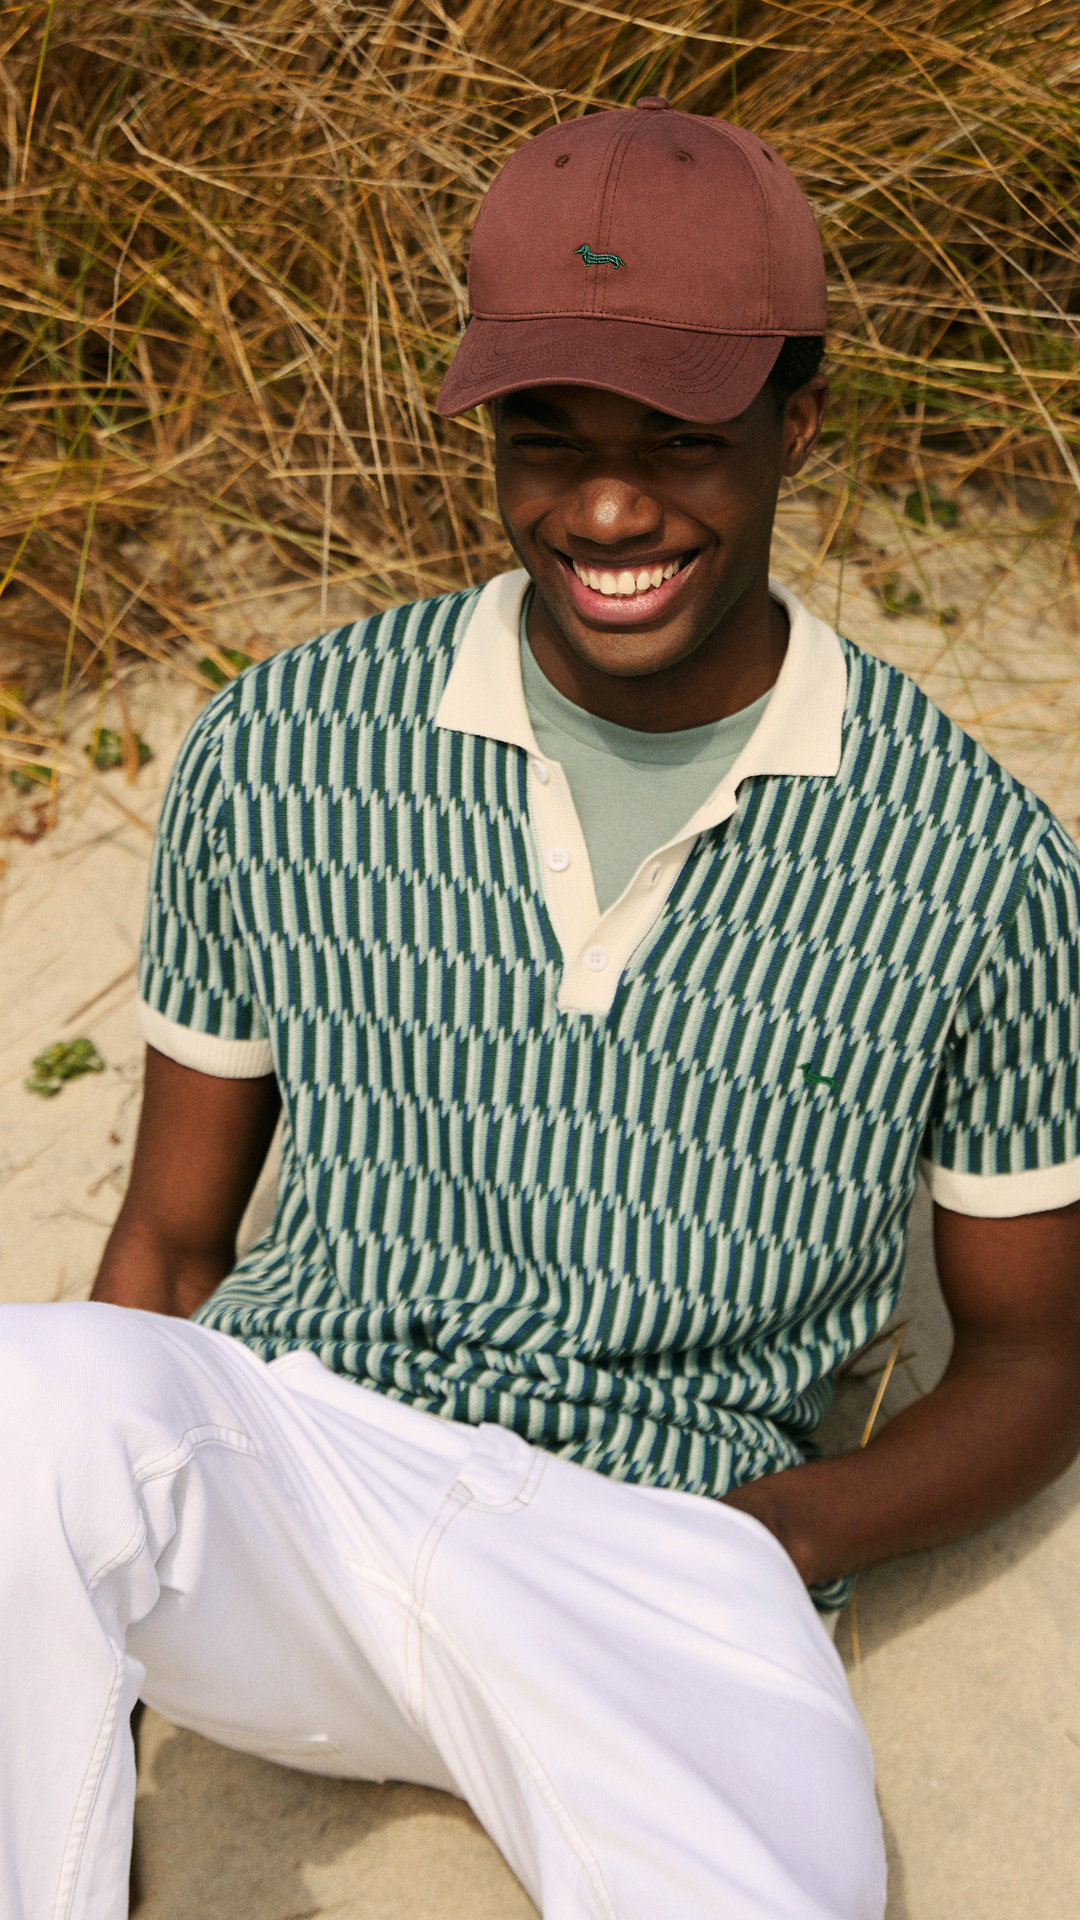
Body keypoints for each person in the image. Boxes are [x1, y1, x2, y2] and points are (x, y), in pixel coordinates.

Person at [4, 98, 1080, 1920]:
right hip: (307, 1477)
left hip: (666, 1561)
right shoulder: (285, 748)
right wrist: (66, 1642)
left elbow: (1035, 1358)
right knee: (25, 1394)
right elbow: (171, 1250)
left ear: (799, 425)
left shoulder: (978, 862)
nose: (605, 508)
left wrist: (770, 1538)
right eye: (546, 437)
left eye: (680, 441)